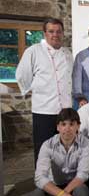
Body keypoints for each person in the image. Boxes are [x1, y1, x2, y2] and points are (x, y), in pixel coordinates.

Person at [16, 18, 74, 164]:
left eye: (59, 31)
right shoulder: (33, 51)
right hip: (44, 110)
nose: (55, 34)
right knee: (43, 149)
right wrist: (34, 90)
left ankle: (62, 179)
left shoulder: (67, 54)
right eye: (51, 31)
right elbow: (23, 75)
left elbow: (69, 78)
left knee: (65, 148)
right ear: (44, 33)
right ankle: (42, 182)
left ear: (63, 33)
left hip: (64, 110)